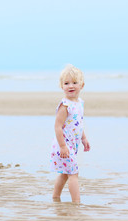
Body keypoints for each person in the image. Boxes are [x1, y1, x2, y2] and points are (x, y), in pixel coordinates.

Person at [50, 64, 90, 203]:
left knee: (65, 173)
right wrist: (62, 146)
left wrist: (83, 138)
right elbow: (57, 127)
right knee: (73, 173)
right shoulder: (65, 105)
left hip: (72, 145)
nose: (70, 86)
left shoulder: (79, 103)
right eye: (66, 83)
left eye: (74, 82)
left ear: (82, 85)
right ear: (62, 86)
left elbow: (78, 123)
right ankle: (76, 202)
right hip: (63, 145)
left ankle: (55, 197)